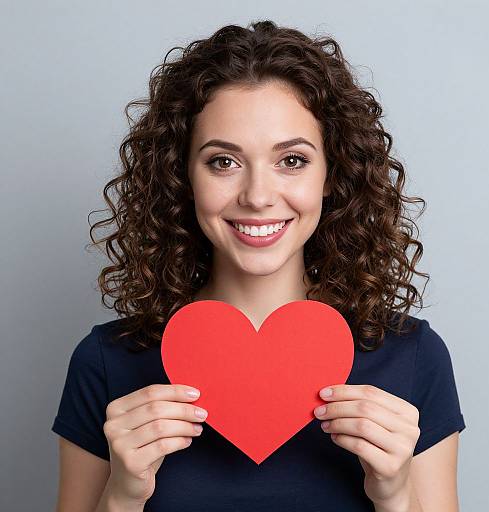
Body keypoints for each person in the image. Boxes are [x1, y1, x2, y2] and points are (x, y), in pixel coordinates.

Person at [51, 20, 466, 512]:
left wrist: (395, 496)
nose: (258, 196)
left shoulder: (413, 357)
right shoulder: (106, 362)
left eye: (292, 160)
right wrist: (121, 496)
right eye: (223, 162)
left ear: (332, 175)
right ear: (182, 176)